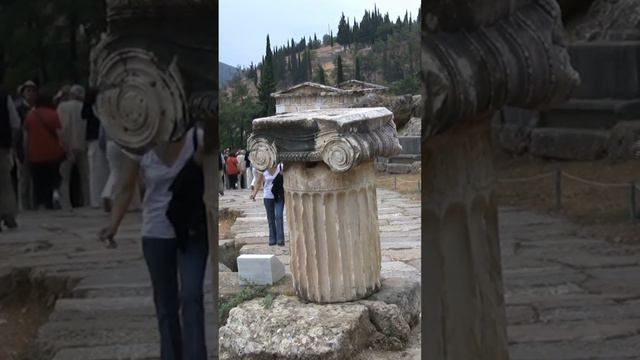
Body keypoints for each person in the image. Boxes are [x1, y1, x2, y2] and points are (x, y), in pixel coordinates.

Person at [98, 125, 208, 360]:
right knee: (166, 305)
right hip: (156, 232)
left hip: (192, 230)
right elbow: (126, 188)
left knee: (191, 296)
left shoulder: (197, 138)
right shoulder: (141, 145)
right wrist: (113, 225)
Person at [23, 92, 65, 210]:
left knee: (39, 182)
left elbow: (26, 138)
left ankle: (41, 203)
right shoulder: (54, 114)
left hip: (35, 154)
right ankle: (54, 194)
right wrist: (65, 148)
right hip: (53, 153)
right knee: (54, 177)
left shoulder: (30, 116)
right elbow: (60, 134)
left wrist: (26, 154)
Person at [58, 84, 89, 209]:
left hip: (67, 145)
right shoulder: (86, 107)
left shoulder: (62, 107)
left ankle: (65, 204)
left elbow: (61, 127)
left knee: (64, 178)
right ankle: (89, 201)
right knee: (85, 177)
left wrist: (63, 144)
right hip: (83, 145)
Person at [83, 88, 109, 209]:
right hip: (100, 138)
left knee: (95, 171)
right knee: (103, 170)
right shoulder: (101, 108)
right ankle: (102, 197)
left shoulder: (88, 108)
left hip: (92, 139)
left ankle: (96, 199)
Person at [0, 81, 21, 230]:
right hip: (2, 144)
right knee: (5, 182)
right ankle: (9, 216)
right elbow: (15, 122)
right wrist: (11, 144)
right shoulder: (3, 95)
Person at [15, 80, 38, 211]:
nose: (31, 93)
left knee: (34, 180)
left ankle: (33, 205)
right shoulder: (19, 110)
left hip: (36, 148)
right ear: (23, 93)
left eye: (33, 90)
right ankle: (24, 207)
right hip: (23, 148)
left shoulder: (37, 109)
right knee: (24, 180)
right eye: (28, 90)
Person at [250, 162, 285, 246]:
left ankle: (280, 239)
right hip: (267, 196)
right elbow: (258, 182)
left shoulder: (281, 167)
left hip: (279, 195)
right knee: (271, 218)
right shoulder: (263, 169)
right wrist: (254, 194)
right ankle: (272, 238)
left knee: (279, 216)